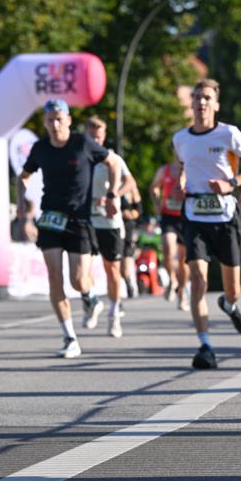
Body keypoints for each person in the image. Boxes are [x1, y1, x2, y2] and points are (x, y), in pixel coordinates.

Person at [16, 98, 121, 358]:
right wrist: (23, 208)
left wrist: (113, 195)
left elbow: (113, 163)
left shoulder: (82, 143)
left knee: (77, 280)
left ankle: (90, 298)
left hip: (79, 220)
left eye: (59, 119)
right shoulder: (40, 148)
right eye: (50, 120)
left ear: (69, 120)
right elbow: (23, 177)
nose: (55, 124)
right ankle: (69, 337)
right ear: (45, 122)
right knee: (54, 276)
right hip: (51, 217)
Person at [173, 78, 241, 370]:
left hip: (225, 216)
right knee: (197, 279)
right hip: (194, 214)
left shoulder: (229, 134)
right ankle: (205, 346)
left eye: (207, 98)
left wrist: (231, 183)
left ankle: (230, 305)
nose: (201, 103)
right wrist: (182, 180)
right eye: (197, 97)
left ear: (216, 104)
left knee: (232, 288)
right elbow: (181, 166)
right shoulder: (180, 139)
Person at [85, 116, 136, 338]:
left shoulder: (113, 158)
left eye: (99, 135)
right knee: (83, 267)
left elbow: (130, 182)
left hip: (109, 221)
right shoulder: (81, 158)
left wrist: (112, 196)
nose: (95, 138)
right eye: (92, 135)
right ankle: (92, 301)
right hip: (86, 219)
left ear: (104, 136)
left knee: (112, 269)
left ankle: (114, 313)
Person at [150, 157, 189, 309]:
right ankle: (172, 280)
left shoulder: (190, 170)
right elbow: (154, 187)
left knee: (183, 261)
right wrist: (157, 204)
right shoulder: (164, 170)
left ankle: (182, 292)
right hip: (169, 217)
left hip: (186, 217)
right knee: (167, 249)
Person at [120, 178, 142, 299]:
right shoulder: (108, 184)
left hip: (128, 226)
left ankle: (129, 282)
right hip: (113, 226)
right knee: (117, 261)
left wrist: (130, 214)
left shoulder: (132, 188)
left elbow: (139, 210)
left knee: (127, 255)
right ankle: (125, 278)